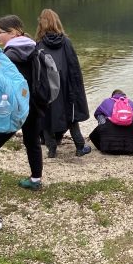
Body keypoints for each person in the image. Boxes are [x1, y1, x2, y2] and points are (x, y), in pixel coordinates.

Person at [0, 15, 46, 191]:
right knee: (32, 142)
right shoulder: (32, 46)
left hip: (15, 107)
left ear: (12, 32)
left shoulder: (11, 55)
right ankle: (36, 180)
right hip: (34, 105)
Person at [35, 9, 91, 158]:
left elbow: (37, 71)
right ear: (57, 22)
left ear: (41, 23)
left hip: (48, 89)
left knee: (47, 118)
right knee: (71, 118)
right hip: (67, 88)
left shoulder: (39, 44)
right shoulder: (66, 42)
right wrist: (76, 90)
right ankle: (80, 148)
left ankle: (52, 150)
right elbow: (74, 68)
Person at [89, 90, 133, 155]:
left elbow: (96, 114)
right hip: (131, 149)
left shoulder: (107, 101)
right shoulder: (130, 103)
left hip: (106, 149)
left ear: (112, 96)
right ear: (124, 96)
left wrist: (106, 122)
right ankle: (130, 139)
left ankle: (105, 138)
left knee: (100, 114)